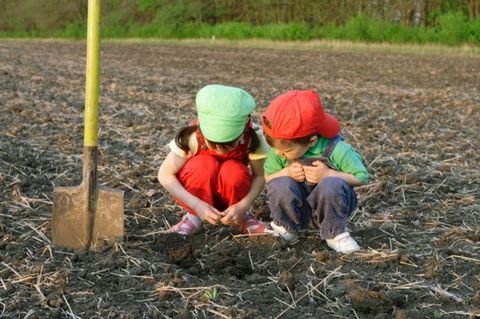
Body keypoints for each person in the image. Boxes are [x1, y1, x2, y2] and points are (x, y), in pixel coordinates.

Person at [261, 90, 368, 253]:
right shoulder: (280, 150)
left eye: (286, 151)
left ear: (312, 141)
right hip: (298, 209)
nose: (278, 153)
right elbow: (268, 178)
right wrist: (287, 173)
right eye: (275, 149)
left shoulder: (337, 149)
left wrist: (329, 174)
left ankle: (334, 233)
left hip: (332, 207)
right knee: (280, 183)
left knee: (332, 184)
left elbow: (361, 177)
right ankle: (286, 227)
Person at [158, 84, 270, 235]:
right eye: (213, 143)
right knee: (203, 165)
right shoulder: (192, 137)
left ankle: (241, 218)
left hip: (233, 196)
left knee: (233, 170)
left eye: (230, 144)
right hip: (198, 196)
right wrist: (196, 205)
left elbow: (259, 176)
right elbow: (165, 175)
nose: (219, 150)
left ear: (244, 128)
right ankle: (193, 218)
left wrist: (243, 206)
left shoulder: (253, 138)